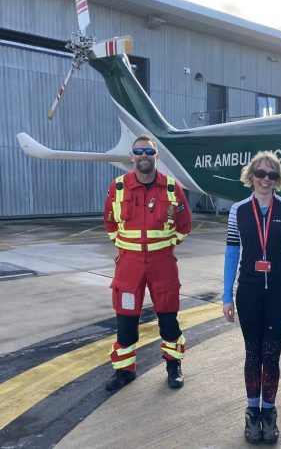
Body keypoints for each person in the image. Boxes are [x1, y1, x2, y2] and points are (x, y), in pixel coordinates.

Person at [223, 151, 281, 444]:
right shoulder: (238, 210)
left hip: (278, 291)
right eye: (259, 173)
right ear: (251, 176)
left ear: (278, 179)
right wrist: (226, 295)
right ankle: (251, 413)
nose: (265, 179)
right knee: (253, 353)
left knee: (272, 354)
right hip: (248, 290)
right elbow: (232, 252)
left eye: (271, 175)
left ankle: (269, 414)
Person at [103, 135, 192, 391]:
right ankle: (124, 371)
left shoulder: (173, 188)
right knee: (126, 320)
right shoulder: (117, 187)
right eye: (138, 151)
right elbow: (110, 223)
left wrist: (164, 246)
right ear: (132, 156)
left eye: (149, 151)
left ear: (156, 157)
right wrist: (125, 248)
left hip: (162, 263)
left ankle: (173, 367)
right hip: (129, 265)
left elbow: (184, 226)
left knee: (168, 318)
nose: (144, 155)